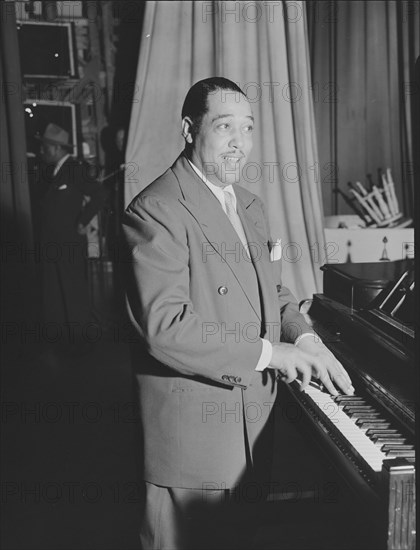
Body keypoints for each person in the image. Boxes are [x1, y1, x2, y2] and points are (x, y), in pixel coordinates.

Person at [122, 77, 354, 550]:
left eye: (247, 128)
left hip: (251, 431)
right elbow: (165, 329)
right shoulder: (156, 209)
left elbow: (274, 292)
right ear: (190, 130)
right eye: (224, 126)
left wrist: (306, 339)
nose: (239, 143)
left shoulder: (248, 205)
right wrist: (273, 354)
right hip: (194, 449)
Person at [36, 122, 107, 356]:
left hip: (69, 243)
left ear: (55, 148)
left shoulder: (74, 169)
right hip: (51, 243)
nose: (41, 152)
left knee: (73, 290)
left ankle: (81, 340)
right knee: (55, 290)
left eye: (44, 147)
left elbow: (99, 193)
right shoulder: (51, 171)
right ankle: (61, 337)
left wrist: (82, 221)